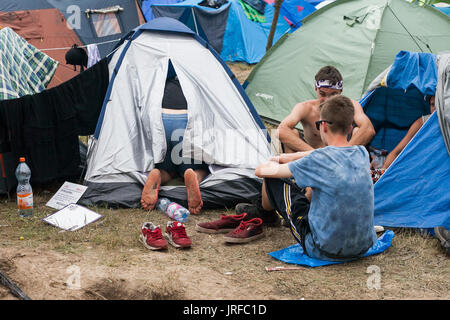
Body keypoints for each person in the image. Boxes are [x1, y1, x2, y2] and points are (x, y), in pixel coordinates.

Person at [235, 95, 377, 259]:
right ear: (351, 128)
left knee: (274, 179)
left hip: (322, 248)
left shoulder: (318, 160)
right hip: (363, 246)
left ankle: (265, 214)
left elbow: (261, 172)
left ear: (323, 126)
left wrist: (272, 161)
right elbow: (323, 153)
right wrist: (290, 157)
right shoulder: (361, 153)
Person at [140, 75, 209, 214]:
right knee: (203, 167)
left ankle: (158, 174)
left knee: (168, 170)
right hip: (185, 120)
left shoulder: (161, 74)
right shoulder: (198, 74)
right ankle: (193, 175)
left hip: (161, 118)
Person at [277, 66, 375, 153]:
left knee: (358, 131)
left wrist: (344, 153)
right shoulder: (305, 108)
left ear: (340, 91)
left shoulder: (350, 105)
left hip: (340, 160)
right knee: (291, 132)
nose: (327, 100)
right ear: (316, 88)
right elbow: (281, 130)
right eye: (322, 94)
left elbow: (368, 130)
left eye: (333, 94)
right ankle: (292, 173)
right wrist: (315, 154)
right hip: (311, 159)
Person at [381, 96, 435, 169]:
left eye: (439, 104)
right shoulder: (422, 123)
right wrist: (382, 173)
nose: (436, 109)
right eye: (432, 105)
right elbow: (396, 153)